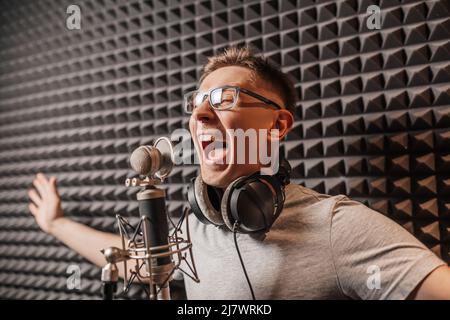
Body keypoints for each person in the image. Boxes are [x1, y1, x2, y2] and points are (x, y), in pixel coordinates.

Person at [28, 46, 450, 299]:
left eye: (224, 98)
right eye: (196, 101)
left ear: (278, 125)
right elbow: (127, 258)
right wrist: (56, 223)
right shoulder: (199, 229)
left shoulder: (336, 226)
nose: (200, 113)